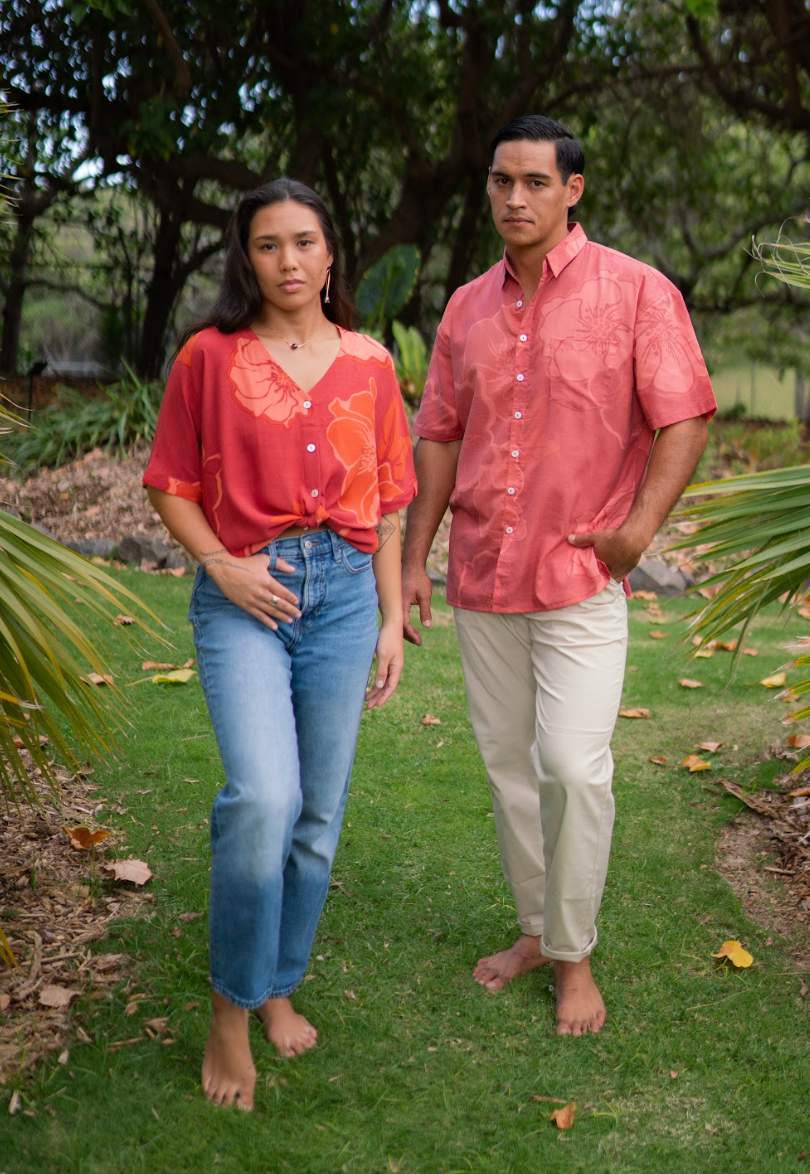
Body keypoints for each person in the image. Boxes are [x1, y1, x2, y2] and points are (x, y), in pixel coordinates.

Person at [401, 115, 716, 1037]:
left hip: (580, 572)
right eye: (502, 182)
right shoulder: (466, 309)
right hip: (483, 574)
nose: (515, 198)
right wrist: (415, 557)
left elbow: (685, 414)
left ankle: (575, 955)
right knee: (510, 769)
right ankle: (538, 932)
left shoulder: (637, 291)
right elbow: (440, 435)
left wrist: (638, 531)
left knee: (573, 769)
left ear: (572, 190)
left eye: (535, 182)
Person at [144, 178, 416, 1109]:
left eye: (304, 241)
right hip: (245, 593)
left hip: (345, 597)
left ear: (331, 254)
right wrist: (221, 566)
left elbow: (385, 502)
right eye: (268, 245)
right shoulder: (208, 358)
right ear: (246, 258)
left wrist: (390, 620)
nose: (288, 260)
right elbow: (170, 482)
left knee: (316, 817)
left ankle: (277, 984)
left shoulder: (371, 364)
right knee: (264, 796)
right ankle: (231, 1007)